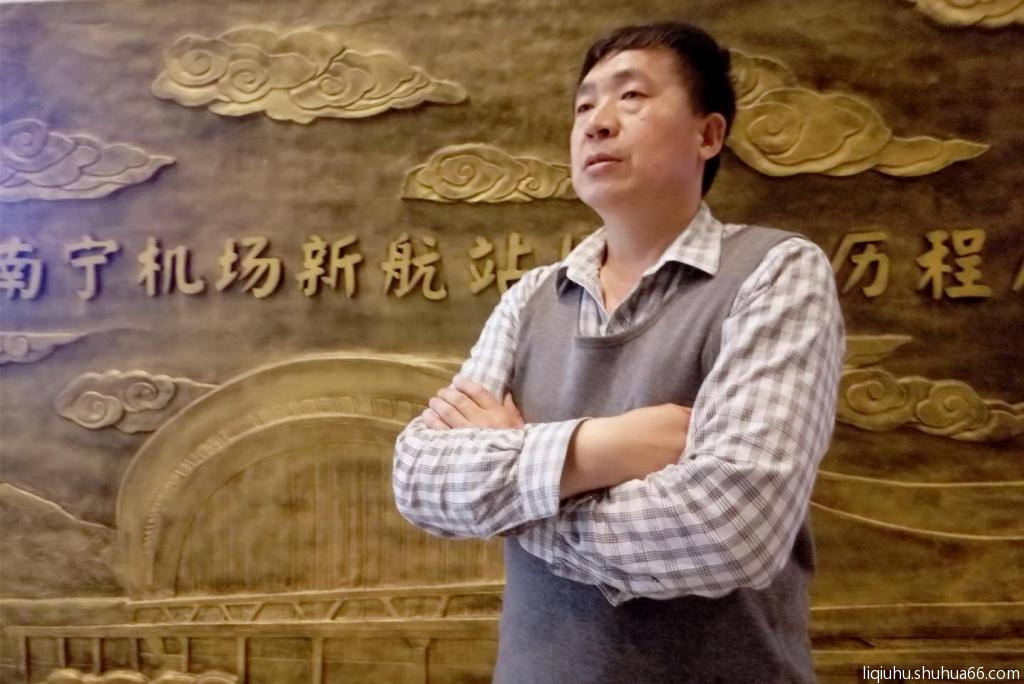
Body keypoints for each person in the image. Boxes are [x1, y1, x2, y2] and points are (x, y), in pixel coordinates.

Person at [392, 21, 845, 684]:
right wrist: (605, 448)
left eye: (631, 97)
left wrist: (517, 498)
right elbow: (420, 480)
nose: (597, 122)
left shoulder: (775, 272)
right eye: (584, 105)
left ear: (708, 135)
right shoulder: (531, 297)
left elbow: (728, 531)